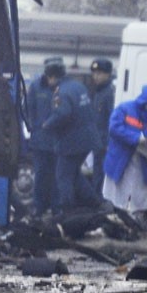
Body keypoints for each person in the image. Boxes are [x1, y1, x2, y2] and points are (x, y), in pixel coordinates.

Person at [102, 84, 147, 231]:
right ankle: (118, 219)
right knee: (118, 192)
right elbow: (114, 128)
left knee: (140, 195)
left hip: (146, 161)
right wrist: (136, 138)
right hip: (122, 158)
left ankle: (134, 223)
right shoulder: (125, 109)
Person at [42, 59, 102, 213]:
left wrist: (47, 124)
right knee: (74, 174)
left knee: (63, 176)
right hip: (88, 139)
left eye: (48, 78)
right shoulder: (78, 86)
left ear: (52, 77)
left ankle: (66, 211)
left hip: (71, 142)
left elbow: (63, 113)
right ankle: (96, 204)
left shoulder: (60, 92)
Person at [26, 57, 63, 217]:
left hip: (58, 142)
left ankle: (56, 207)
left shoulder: (64, 88)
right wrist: (33, 128)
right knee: (40, 175)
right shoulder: (35, 87)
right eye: (51, 75)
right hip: (40, 141)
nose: (53, 79)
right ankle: (39, 206)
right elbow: (27, 109)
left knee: (57, 176)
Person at [89, 58, 115, 196]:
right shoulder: (99, 92)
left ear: (107, 74)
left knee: (102, 175)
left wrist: (108, 142)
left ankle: (100, 201)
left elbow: (111, 119)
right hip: (97, 141)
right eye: (94, 73)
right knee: (97, 173)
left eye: (99, 73)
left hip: (104, 143)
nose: (96, 76)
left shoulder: (109, 92)